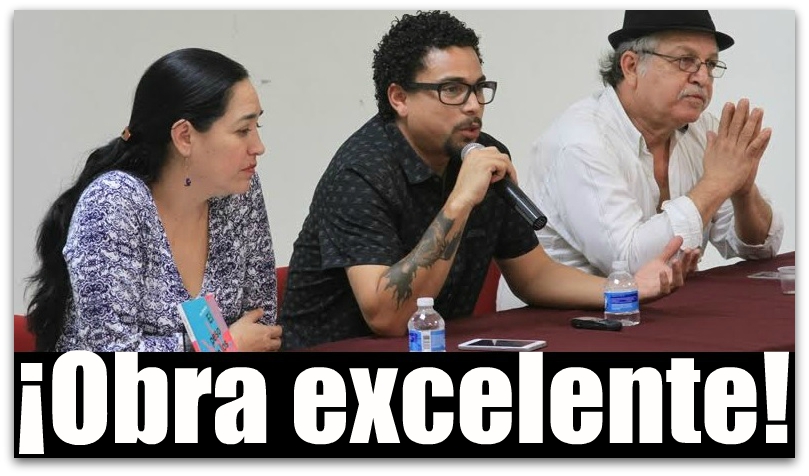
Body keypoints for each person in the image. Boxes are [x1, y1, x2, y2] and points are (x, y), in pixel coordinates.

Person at [278, 10, 698, 350]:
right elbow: (388, 318)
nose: (474, 105)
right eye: (452, 90)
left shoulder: (484, 153)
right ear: (399, 98)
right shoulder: (360, 172)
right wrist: (460, 202)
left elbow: (533, 276)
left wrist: (624, 289)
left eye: (479, 88)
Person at [497, 10, 784, 311]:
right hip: (558, 320)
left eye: (710, 64)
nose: (702, 77)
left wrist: (743, 190)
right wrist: (716, 184)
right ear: (631, 66)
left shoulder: (704, 131)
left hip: (656, 313)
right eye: (685, 60)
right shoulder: (580, 142)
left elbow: (759, 249)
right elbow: (629, 265)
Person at [26, 48, 283, 352]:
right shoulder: (113, 203)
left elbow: (261, 329)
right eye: (242, 130)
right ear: (184, 137)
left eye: (257, 127)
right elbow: (114, 354)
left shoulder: (240, 193)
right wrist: (220, 347)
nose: (258, 146)